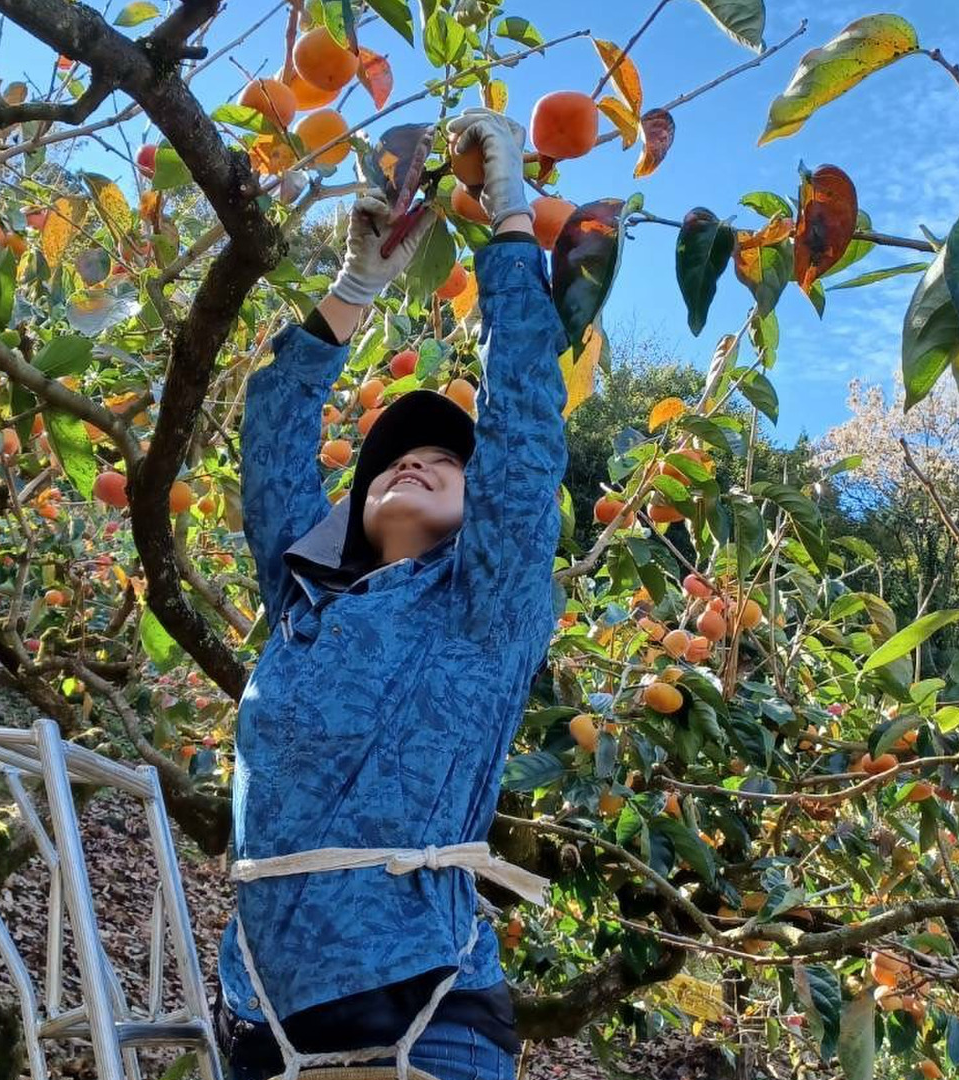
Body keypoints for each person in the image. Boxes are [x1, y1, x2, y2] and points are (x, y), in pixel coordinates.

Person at [215, 106, 570, 1080]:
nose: (414, 462)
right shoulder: (302, 601)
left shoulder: (484, 605)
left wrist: (510, 224)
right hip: (262, 1022)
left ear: (476, 505)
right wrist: (356, 286)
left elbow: (525, 435)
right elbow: (273, 429)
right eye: (394, 460)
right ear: (356, 503)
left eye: (444, 463)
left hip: (427, 1014)